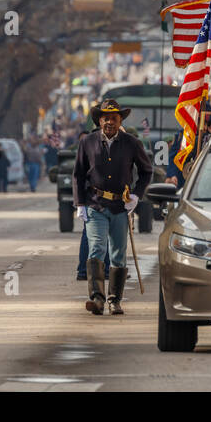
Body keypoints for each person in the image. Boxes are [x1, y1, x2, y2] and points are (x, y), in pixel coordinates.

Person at [73, 100, 152, 317]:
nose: (109, 122)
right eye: (105, 118)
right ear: (99, 120)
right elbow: (78, 175)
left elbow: (146, 171)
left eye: (114, 118)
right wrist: (80, 203)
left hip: (120, 206)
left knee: (118, 253)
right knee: (97, 248)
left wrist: (136, 195)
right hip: (95, 204)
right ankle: (97, 299)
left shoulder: (132, 143)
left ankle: (114, 300)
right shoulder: (87, 142)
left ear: (120, 121)